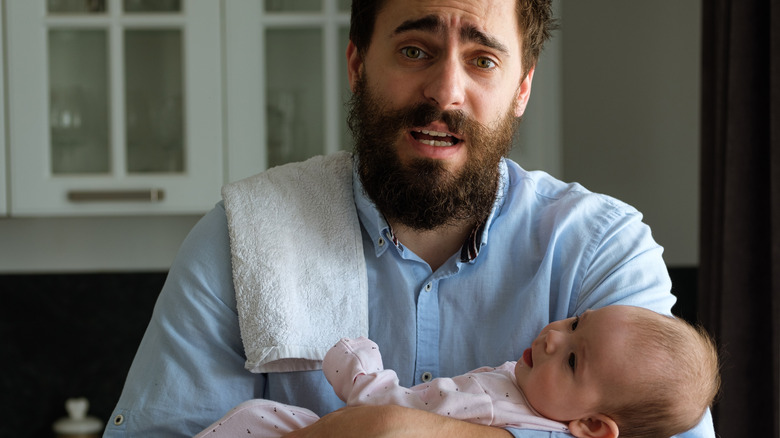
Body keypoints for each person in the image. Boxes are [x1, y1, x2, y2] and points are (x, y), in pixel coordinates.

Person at [104, 0, 717, 437]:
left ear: (522, 89)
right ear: (357, 65)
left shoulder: (602, 248)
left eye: (482, 61)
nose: (445, 90)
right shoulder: (240, 240)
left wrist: (404, 429)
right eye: (414, 50)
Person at [194, 306, 720, 438]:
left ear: (593, 427)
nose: (555, 336)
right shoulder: (529, 403)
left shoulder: (493, 410)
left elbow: (386, 415)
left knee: (262, 418)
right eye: (578, 322)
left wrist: (354, 363)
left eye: (575, 360)